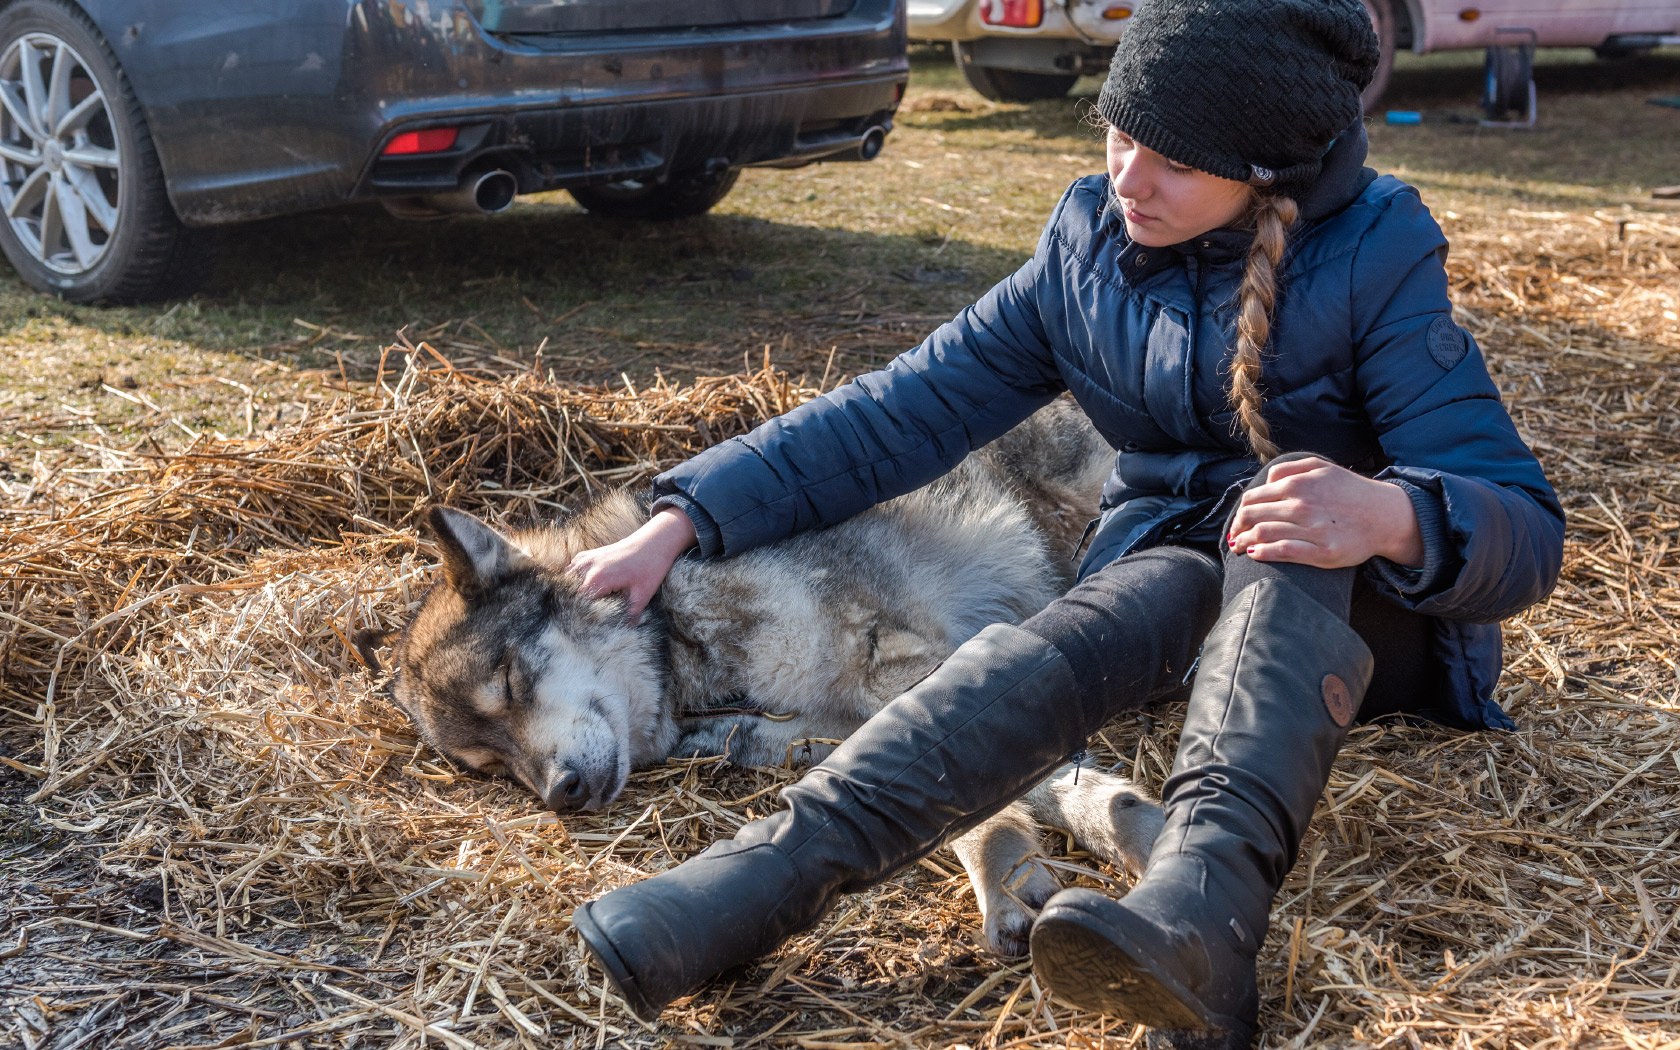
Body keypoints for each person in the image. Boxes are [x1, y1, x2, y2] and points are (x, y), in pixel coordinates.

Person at [566, 1, 1564, 1046]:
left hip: (1364, 621)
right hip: (1184, 587)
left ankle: (1203, 925)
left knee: (1283, 525)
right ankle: (763, 877)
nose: (1130, 178)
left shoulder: (1375, 251)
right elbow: (898, 413)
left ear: (1263, 168)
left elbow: (1526, 526)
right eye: (1120, 136)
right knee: (1113, 605)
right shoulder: (1088, 246)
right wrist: (682, 519)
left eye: (1173, 161)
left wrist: (1389, 512)